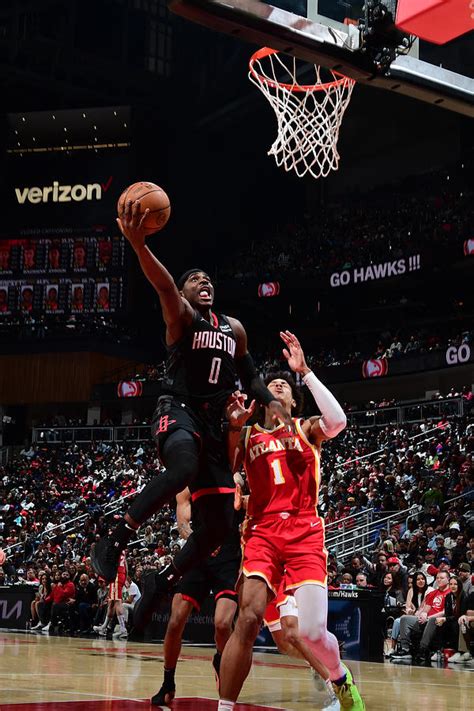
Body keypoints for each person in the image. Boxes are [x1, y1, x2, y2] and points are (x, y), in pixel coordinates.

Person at [91, 198, 291, 606]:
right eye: (194, 279)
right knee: (183, 465)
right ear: (183, 293)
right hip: (177, 409)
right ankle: (117, 535)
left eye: (207, 278)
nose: (204, 282)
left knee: (219, 526)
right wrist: (139, 245)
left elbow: (251, 376)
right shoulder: (181, 317)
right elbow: (163, 284)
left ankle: (163, 578)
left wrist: (270, 401)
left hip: (213, 425)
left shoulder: (234, 328)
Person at [217, 331, 364, 710]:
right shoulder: (248, 433)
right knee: (247, 620)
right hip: (263, 533)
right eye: (272, 383)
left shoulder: (306, 429)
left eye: (285, 383)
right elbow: (223, 471)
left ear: (293, 400)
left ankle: (339, 678)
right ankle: (225, 705)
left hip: (303, 531)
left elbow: (339, 420)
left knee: (312, 634)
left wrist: (307, 372)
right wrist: (233, 426)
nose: (278, 384)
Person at [151, 486, 241, 706]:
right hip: (199, 552)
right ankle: (168, 683)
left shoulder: (234, 477)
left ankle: (221, 660)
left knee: (222, 624)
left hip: (228, 556)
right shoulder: (188, 484)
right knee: (175, 621)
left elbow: (247, 519)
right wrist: (200, 540)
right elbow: (183, 524)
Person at [392, 570, 451, 664]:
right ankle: (405, 649)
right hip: (427, 619)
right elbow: (426, 608)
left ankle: (422, 649)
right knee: (404, 619)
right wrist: (423, 615)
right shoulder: (433, 593)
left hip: (439, 620)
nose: (439, 580)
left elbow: (445, 612)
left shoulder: (450, 593)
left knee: (432, 619)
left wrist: (428, 617)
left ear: (448, 580)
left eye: (442, 578)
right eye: (437, 578)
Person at [93, 551, 128, 639]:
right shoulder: (121, 549)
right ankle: (104, 627)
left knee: (117, 602)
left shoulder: (113, 548)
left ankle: (123, 629)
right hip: (120, 575)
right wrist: (125, 577)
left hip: (116, 575)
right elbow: (125, 563)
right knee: (111, 603)